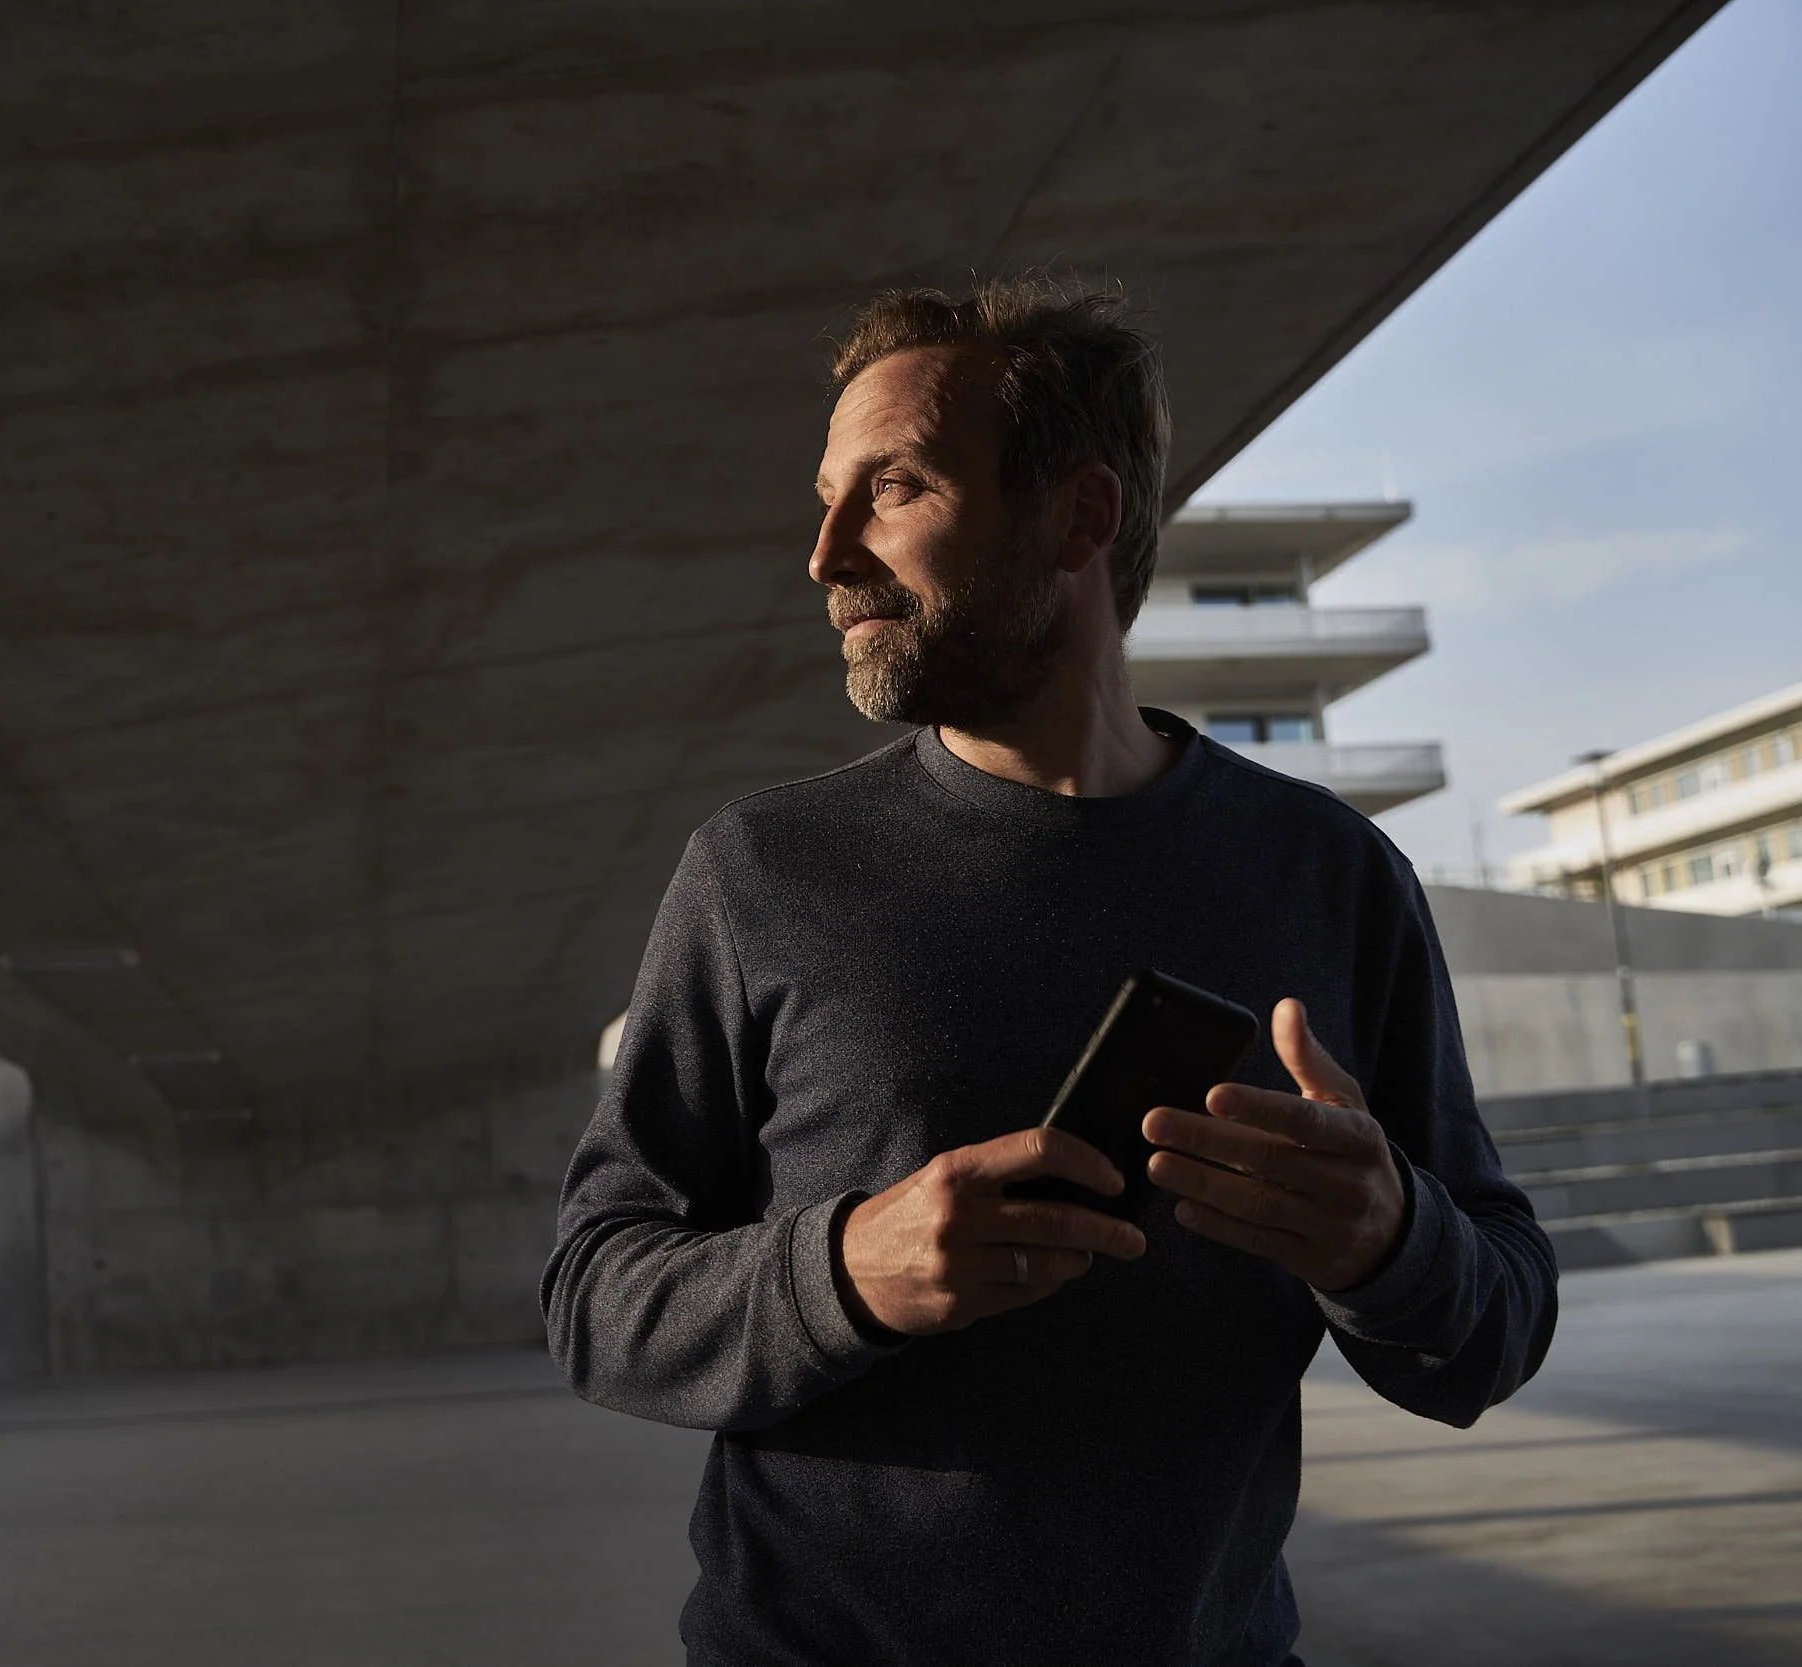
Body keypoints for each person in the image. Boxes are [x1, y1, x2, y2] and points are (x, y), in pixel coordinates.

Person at [541, 277, 1558, 1666]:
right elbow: (596, 1293)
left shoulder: (1330, 875)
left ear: (1082, 516)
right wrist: (845, 1270)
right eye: (827, 499)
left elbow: (1492, 1326)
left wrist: (1389, 1240)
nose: (826, 553)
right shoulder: (762, 870)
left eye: (891, 487)